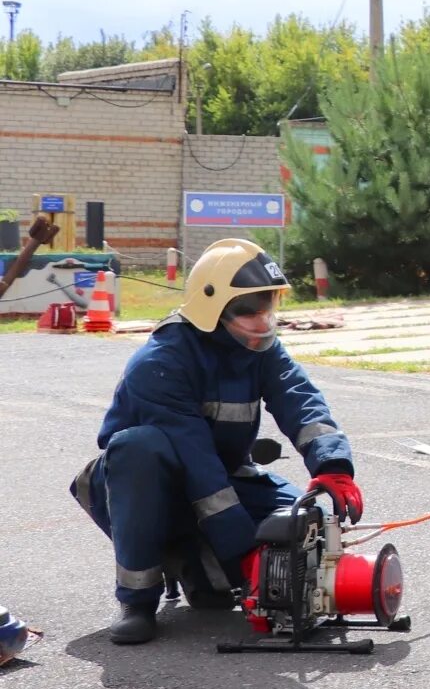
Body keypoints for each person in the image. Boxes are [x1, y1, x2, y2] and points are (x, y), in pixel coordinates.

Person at [69, 239, 360, 644]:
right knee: (139, 448)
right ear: (212, 309)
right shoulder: (160, 363)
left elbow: (300, 400)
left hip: (222, 475)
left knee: (296, 526)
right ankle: (137, 600)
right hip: (146, 487)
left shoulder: (258, 346)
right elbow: (195, 461)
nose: (263, 321)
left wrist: (333, 466)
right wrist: (242, 550)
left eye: (268, 307)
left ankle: (195, 563)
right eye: (249, 310)